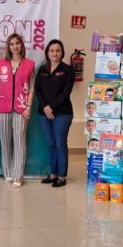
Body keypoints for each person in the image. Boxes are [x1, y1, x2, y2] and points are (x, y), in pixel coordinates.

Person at [0, 33, 35, 188]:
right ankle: (8, 173)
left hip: (21, 108)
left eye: (17, 43)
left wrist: (28, 107)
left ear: (22, 45)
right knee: (5, 141)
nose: (15, 46)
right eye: (12, 44)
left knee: (19, 143)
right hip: (3, 107)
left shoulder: (30, 64)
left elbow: (32, 88)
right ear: (8, 46)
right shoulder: (0, 64)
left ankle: (18, 175)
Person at [35, 40, 75, 188]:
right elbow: (38, 90)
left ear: (62, 52)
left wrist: (52, 107)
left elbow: (66, 92)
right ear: (47, 52)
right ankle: (53, 174)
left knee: (60, 144)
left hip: (62, 113)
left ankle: (62, 176)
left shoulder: (68, 70)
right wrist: (46, 107)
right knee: (51, 144)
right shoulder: (42, 69)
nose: (55, 53)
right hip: (44, 113)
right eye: (52, 50)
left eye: (58, 50)